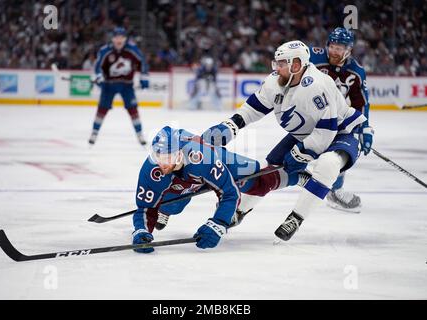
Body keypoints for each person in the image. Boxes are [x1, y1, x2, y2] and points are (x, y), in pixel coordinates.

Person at [202, 40, 369, 242]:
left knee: (328, 164)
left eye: (282, 63)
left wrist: (300, 153)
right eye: (277, 63)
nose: (276, 68)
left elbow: (326, 132)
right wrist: (231, 125)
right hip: (305, 133)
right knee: (268, 170)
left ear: (296, 64)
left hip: (341, 132)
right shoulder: (276, 81)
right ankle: (240, 211)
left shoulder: (316, 85)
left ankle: (296, 218)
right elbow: (254, 108)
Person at [131, 126, 301, 253]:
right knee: (172, 201)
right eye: (158, 157)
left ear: (179, 154)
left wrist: (218, 223)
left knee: (258, 182)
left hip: (214, 161)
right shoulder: (151, 169)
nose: (162, 163)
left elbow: (229, 193)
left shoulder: (202, 158)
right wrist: (142, 230)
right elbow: (145, 208)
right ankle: (169, 208)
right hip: (190, 176)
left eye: (168, 157)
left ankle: (298, 177)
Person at [310, 27, 374, 213]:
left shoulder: (356, 72)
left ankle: (335, 190)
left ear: (349, 50)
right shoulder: (313, 58)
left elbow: (360, 103)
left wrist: (364, 128)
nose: (334, 51)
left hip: (332, 117)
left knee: (343, 147)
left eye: (339, 48)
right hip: (306, 114)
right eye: (332, 46)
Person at [89, 27, 149, 146]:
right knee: (102, 109)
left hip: (126, 85)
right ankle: (94, 133)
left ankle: (140, 134)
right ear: (112, 39)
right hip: (109, 85)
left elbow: (142, 62)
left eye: (121, 37)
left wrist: (144, 77)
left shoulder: (132, 49)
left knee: (133, 109)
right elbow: (98, 67)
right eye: (116, 37)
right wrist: (99, 76)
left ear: (125, 39)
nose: (119, 40)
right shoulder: (105, 50)